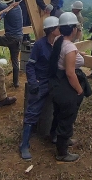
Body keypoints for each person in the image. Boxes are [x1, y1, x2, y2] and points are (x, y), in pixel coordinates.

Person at [19, 16, 61, 160]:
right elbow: (30, 65)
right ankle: (24, 144)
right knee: (33, 111)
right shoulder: (40, 45)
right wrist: (33, 82)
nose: (60, 30)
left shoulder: (58, 44)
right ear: (52, 30)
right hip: (41, 81)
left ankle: (55, 135)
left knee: (60, 108)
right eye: (58, 28)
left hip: (53, 81)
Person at [49, 12, 88, 162]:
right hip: (66, 83)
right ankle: (62, 152)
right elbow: (71, 73)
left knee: (59, 113)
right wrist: (79, 90)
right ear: (73, 29)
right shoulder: (69, 47)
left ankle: (57, 138)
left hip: (56, 82)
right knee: (67, 117)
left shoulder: (58, 40)